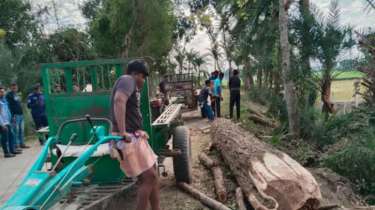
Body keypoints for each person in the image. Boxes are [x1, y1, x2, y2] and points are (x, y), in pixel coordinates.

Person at [110, 60, 160, 210]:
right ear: (134, 74)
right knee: (147, 177)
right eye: (143, 77)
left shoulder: (132, 84)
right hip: (127, 137)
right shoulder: (128, 80)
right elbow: (119, 101)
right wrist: (123, 131)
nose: (144, 81)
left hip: (135, 135)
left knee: (153, 173)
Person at [0, 87, 22, 158]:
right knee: (5, 138)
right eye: (1, 92)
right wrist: (2, 124)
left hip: (8, 122)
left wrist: (12, 120)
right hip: (3, 123)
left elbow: (8, 111)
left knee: (11, 136)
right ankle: (6, 152)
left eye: (3, 92)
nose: (3, 93)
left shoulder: (4, 101)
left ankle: (12, 149)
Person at [6, 83, 29, 150]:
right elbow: (9, 106)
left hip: (20, 114)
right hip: (15, 114)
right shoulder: (8, 95)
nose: (15, 89)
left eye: (16, 88)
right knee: (15, 130)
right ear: (10, 88)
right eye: (13, 88)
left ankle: (21, 143)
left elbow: (18, 104)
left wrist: (22, 113)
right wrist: (12, 115)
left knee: (21, 130)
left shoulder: (16, 94)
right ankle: (15, 145)